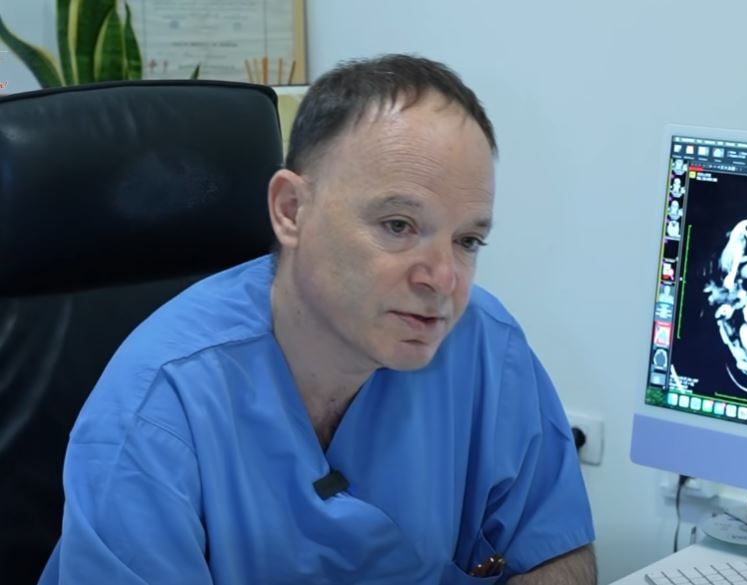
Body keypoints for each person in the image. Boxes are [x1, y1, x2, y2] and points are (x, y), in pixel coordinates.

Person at [38, 54, 597, 584]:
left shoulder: (484, 347)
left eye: (467, 240)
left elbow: (556, 549)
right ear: (291, 210)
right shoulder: (157, 410)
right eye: (398, 225)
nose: (443, 279)